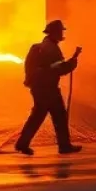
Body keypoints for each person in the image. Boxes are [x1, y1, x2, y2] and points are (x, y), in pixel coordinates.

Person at [14, 20, 83, 156]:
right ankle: (64, 146)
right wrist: (73, 62)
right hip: (48, 89)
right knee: (59, 116)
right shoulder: (51, 49)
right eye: (60, 31)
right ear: (55, 33)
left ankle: (22, 144)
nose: (61, 33)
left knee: (38, 116)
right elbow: (60, 69)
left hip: (39, 88)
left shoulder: (39, 47)